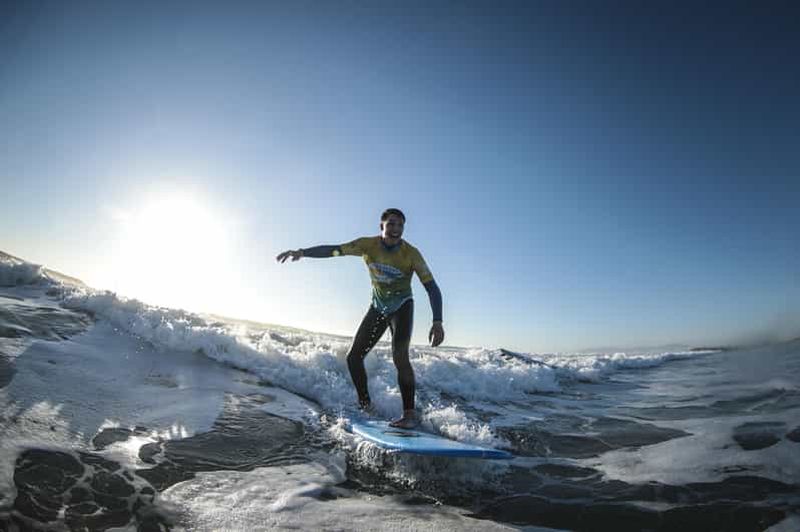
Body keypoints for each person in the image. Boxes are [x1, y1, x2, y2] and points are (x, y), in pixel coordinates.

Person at [276, 208, 444, 428]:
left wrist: (437, 321)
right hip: (378, 306)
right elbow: (335, 250)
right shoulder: (367, 245)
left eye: (400, 226)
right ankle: (366, 406)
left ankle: (409, 414)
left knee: (400, 357)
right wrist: (302, 252)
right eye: (391, 224)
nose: (395, 229)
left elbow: (432, 288)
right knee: (353, 357)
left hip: (402, 306)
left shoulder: (411, 254)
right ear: (381, 226)